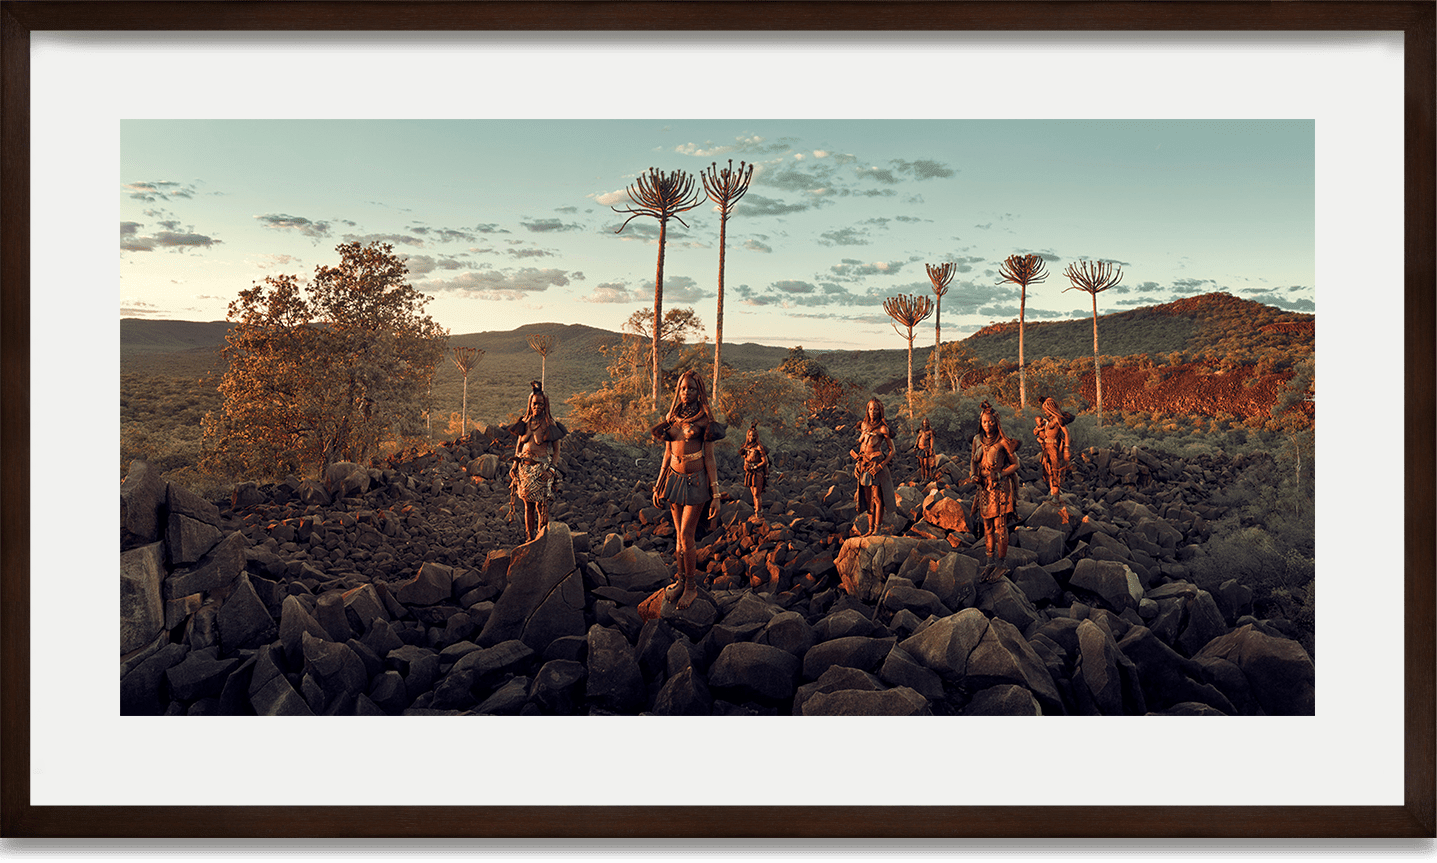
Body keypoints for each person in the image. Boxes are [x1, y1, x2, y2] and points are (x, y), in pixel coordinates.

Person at [651, 369, 724, 611]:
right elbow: (667, 453)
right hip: (673, 478)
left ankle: (692, 586)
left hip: (696, 482)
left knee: (686, 537)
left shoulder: (705, 421)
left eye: (691, 388)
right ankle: (681, 581)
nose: (686, 392)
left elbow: (710, 459)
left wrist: (715, 495)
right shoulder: (672, 418)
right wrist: (659, 483)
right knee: (678, 539)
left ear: (698, 391)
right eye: (683, 388)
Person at [509, 381, 567, 543]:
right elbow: (519, 445)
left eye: (540, 404)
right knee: (527, 506)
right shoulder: (525, 423)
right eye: (534, 403)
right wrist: (515, 464)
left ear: (545, 405)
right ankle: (529, 536)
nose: (537, 407)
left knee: (541, 505)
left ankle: (543, 537)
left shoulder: (550, 425)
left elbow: (556, 451)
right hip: (524, 469)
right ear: (530, 404)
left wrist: (551, 470)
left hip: (541, 470)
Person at [970, 401, 1019, 582]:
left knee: (1000, 526)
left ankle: (1001, 562)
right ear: (980, 422)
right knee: (987, 526)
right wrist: (974, 475)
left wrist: (1000, 474)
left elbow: (1016, 464)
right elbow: (973, 461)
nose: (987, 425)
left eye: (991, 422)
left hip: (1000, 489)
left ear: (996, 422)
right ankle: (990, 562)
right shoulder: (977, 440)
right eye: (984, 422)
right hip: (984, 488)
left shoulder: (1003, 442)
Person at [851, 397, 896, 536]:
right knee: (867, 498)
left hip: (876, 466)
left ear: (880, 410)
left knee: (877, 499)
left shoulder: (883, 428)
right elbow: (861, 446)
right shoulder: (863, 425)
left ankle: (877, 529)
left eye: (876, 409)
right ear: (867, 410)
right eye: (870, 408)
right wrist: (858, 463)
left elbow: (892, 451)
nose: (873, 411)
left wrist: (881, 466)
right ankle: (870, 529)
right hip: (864, 465)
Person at [1033, 396, 1075, 522]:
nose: (1045, 412)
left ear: (1051, 408)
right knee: (1049, 469)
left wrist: (1067, 449)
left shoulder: (1057, 419)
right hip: (1046, 447)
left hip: (1055, 447)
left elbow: (1067, 433)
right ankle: (1052, 493)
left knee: (1056, 470)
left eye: (1046, 409)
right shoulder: (1048, 420)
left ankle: (1056, 495)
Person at [740, 423, 770, 521]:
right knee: (753, 493)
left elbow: (764, 461)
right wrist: (746, 466)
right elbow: (745, 458)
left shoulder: (759, 448)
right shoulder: (746, 447)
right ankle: (756, 510)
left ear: (756, 436)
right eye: (750, 435)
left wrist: (756, 466)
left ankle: (758, 513)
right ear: (747, 436)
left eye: (753, 436)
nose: (751, 437)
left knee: (757, 494)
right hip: (749, 472)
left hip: (758, 473)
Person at [915, 417, 936, 482]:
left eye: (926, 423)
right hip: (920, 449)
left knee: (926, 465)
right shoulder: (921, 431)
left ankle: (927, 478)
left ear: (928, 424)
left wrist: (931, 449)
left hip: (926, 449)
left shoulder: (930, 431)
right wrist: (915, 446)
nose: (925, 424)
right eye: (924, 423)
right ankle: (922, 478)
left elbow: (931, 440)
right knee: (921, 465)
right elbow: (918, 438)